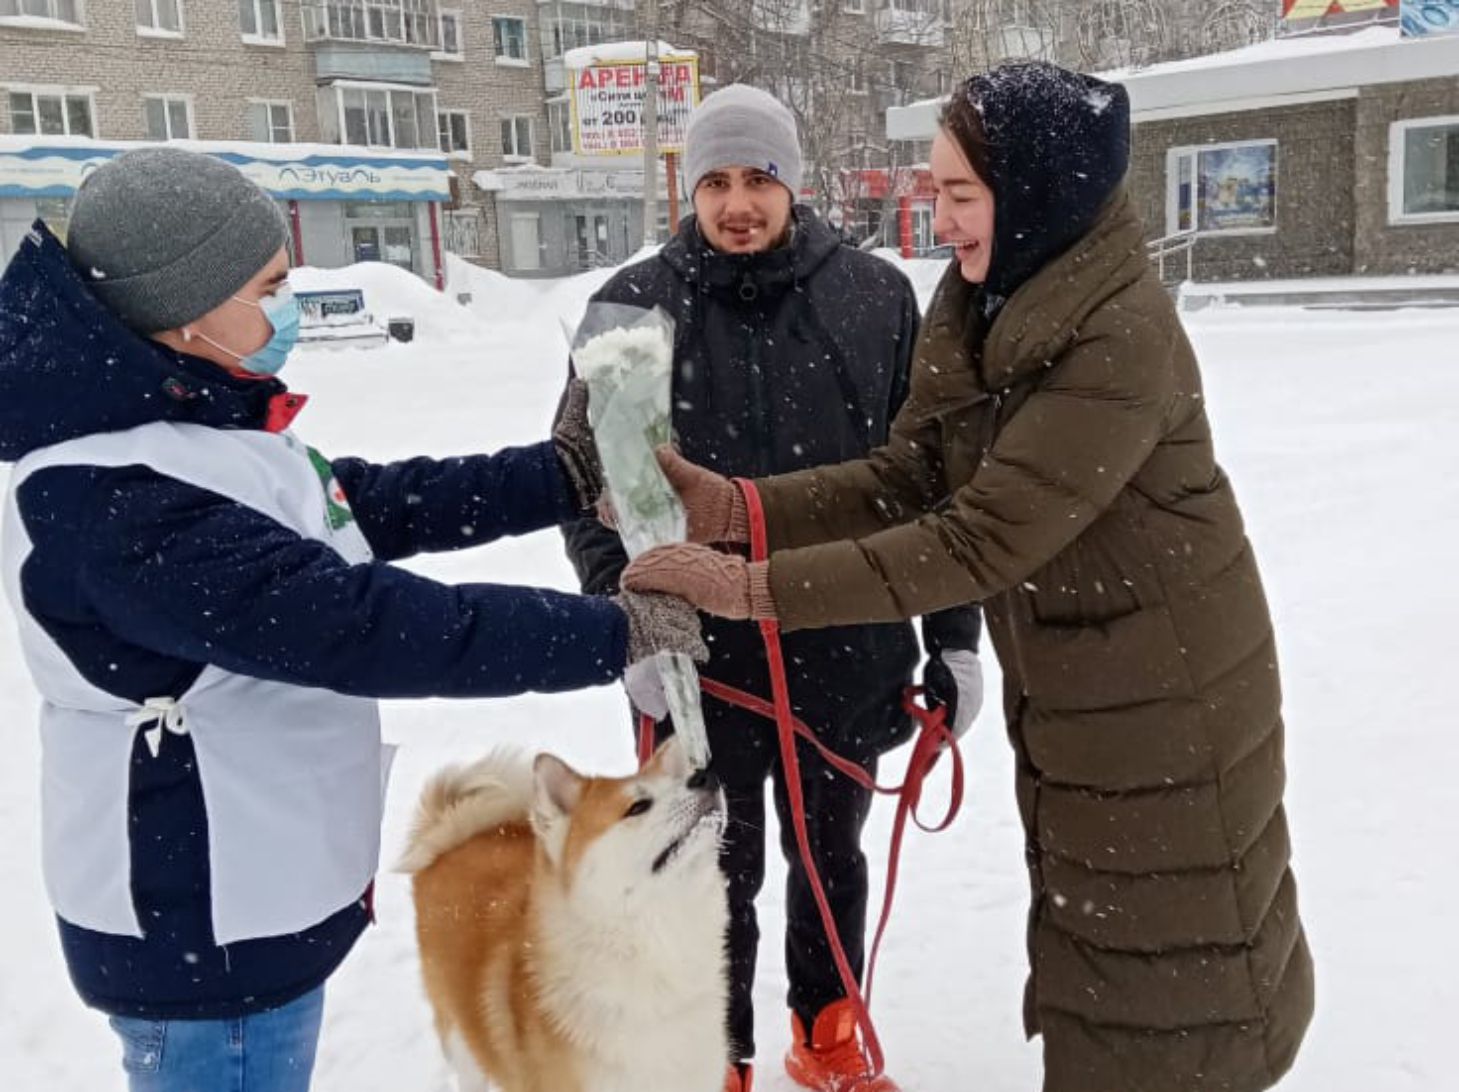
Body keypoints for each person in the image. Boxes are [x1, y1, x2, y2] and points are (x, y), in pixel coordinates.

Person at [620, 63, 1314, 1092]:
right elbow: (916, 472)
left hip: (1162, 692)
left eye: (957, 194)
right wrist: (744, 513)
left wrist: (749, 587)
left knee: (1177, 967)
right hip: (1087, 679)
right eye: (933, 190)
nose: (934, 217)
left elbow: (973, 537)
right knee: (1106, 944)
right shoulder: (995, 295)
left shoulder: (1112, 336)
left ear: (1032, 195)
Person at [0, 147, 702, 1092]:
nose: (288, 305)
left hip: (246, 897)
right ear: (184, 307)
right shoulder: (109, 498)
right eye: (271, 285)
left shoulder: (198, 428)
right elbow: (358, 623)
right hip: (200, 925)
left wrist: (557, 476)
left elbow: (361, 509)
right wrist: (614, 633)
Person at [559, 84, 984, 1092]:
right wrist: (630, 635)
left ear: (792, 182)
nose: (737, 202)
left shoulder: (875, 298)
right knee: (707, 871)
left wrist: (955, 637)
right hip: (695, 658)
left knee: (830, 855)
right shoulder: (628, 307)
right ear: (689, 188)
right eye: (715, 181)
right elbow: (584, 486)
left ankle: (825, 1032)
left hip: (846, 636)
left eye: (758, 178)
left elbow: (933, 480)